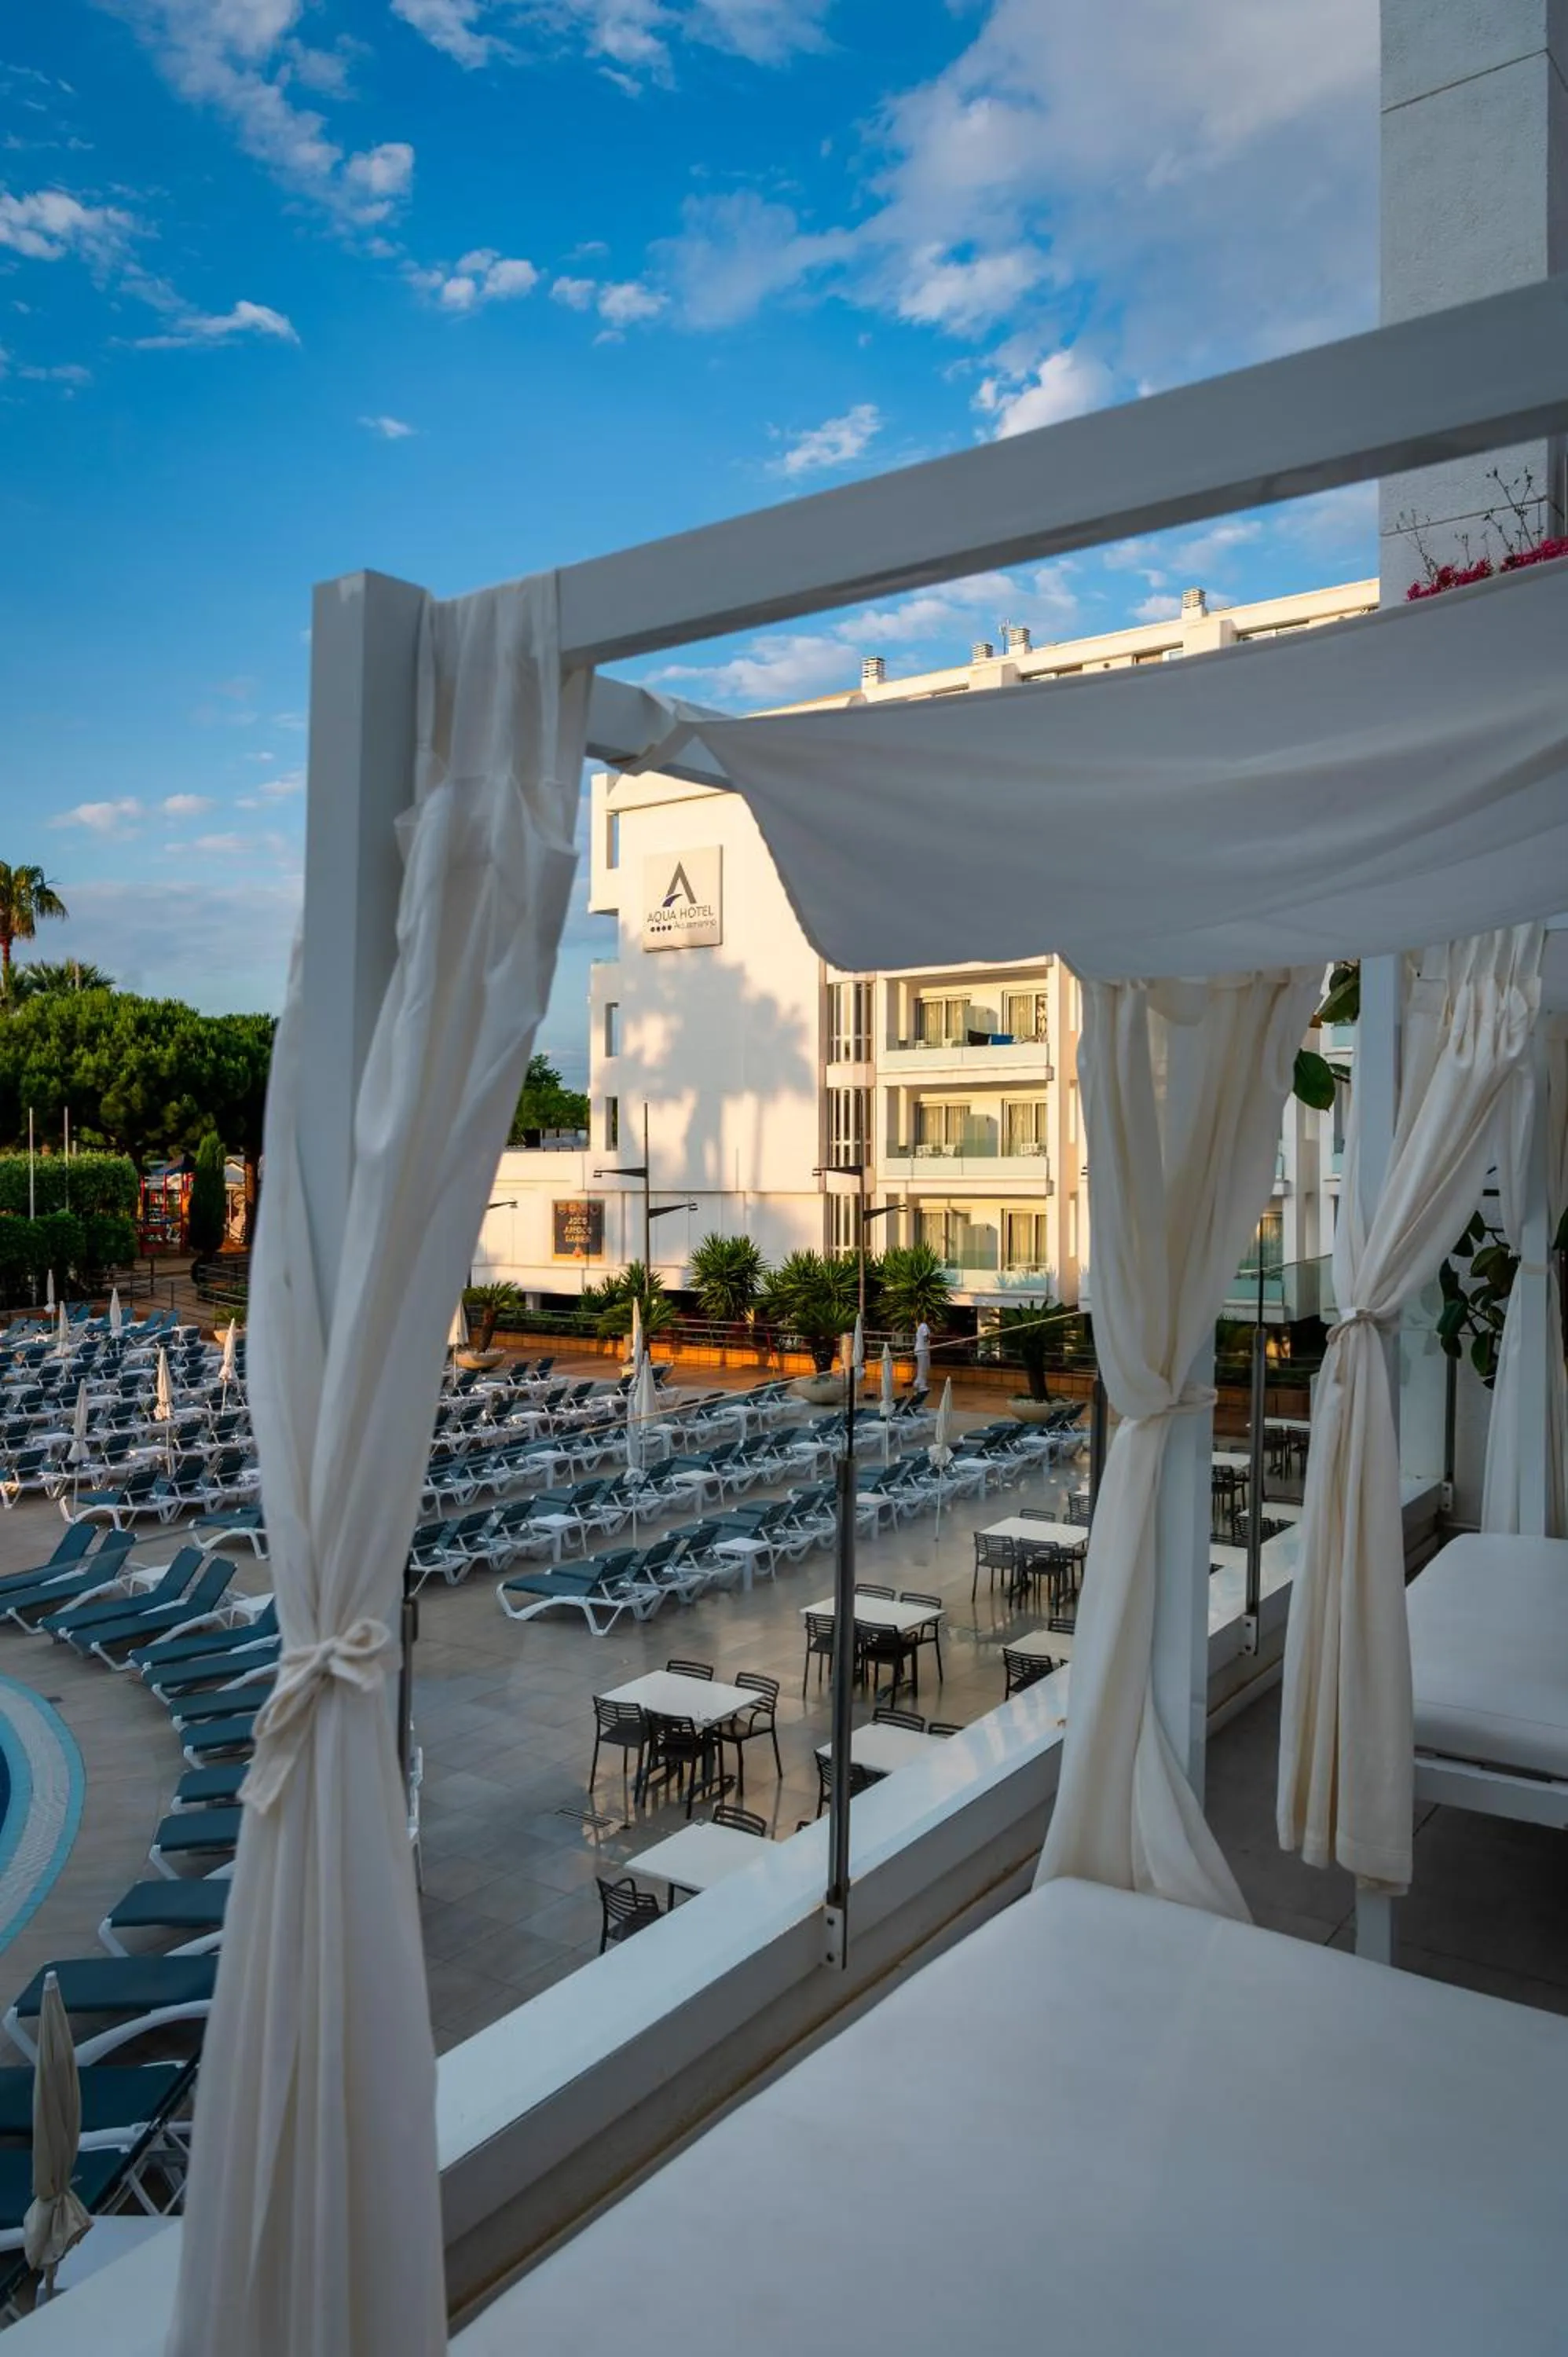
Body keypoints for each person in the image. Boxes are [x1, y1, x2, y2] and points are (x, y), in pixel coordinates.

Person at [914, 1317, 931, 1395]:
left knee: (921, 1368)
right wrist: (930, 1337)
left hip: (921, 1350)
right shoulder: (924, 1326)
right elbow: (925, 1337)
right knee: (922, 1368)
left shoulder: (921, 1326)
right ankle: (922, 1386)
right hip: (922, 1351)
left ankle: (917, 1383)